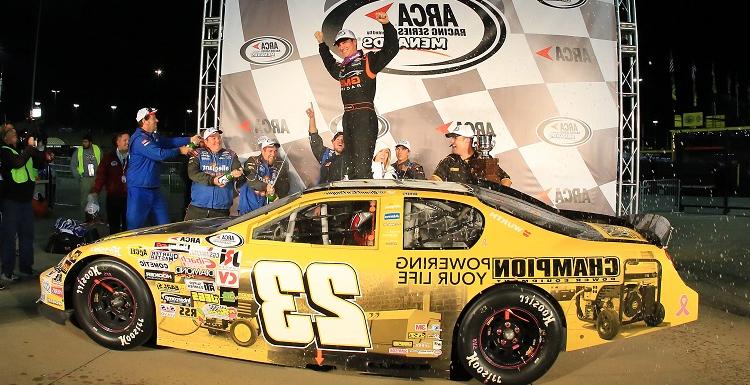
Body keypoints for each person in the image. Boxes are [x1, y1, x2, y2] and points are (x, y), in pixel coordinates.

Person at [315, 10, 399, 179]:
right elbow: (329, 63)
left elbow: (391, 49)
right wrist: (322, 44)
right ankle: (355, 204)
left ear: (354, 42)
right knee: (351, 169)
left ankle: (366, 204)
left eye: (345, 41)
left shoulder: (368, 61)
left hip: (364, 117)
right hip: (348, 117)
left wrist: (386, 25)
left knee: (362, 168)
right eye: (339, 44)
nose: (342, 46)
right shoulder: (342, 68)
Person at [126, 107, 200, 229]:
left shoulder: (152, 136)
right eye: (154, 118)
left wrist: (189, 139)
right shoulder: (139, 139)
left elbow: (168, 142)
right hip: (139, 190)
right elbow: (159, 154)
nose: (157, 120)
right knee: (134, 229)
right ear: (145, 121)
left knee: (164, 227)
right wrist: (181, 150)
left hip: (154, 189)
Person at [0, 124, 50, 284]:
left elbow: (39, 164)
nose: (14, 133)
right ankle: (6, 272)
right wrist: (29, 148)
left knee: (27, 236)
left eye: (15, 131)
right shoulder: (4, 151)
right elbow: (17, 163)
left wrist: (42, 151)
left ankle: (26, 268)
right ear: (4, 137)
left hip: (25, 202)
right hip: (11, 202)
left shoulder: (22, 150)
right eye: (10, 132)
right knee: (9, 237)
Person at [185, 128, 242, 220]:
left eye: (219, 138)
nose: (218, 140)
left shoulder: (231, 155)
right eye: (213, 138)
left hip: (221, 210)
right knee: (188, 234)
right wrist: (212, 180)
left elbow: (239, 173)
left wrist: (238, 175)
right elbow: (193, 173)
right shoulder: (197, 153)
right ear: (206, 142)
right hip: (197, 207)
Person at [431, 124, 512, 187]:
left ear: (467, 140)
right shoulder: (449, 160)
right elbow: (434, 180)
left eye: (455, 138)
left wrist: (498, 196)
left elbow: (505, 179)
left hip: (479, 206)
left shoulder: (483, 158)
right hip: (454, 207)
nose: (451, 142)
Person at [238, 136, 289, 215]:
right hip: (248, 207)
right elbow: (252, 181)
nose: (273, 154)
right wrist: (266, 188)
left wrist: (273, 191)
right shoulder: (252, 160)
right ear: (262, 151)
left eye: (275, 151)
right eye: (270, 151)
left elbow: (285, 187)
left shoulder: (280, 164)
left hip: (267, 210)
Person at [91, 131, 129, 234]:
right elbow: (101, 176)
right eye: (125, 140)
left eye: (129, 140)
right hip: (113, 197)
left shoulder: (134, 157)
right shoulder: (108, 157)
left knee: (129, 226)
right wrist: (95, 191)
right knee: (114, 226)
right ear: (118, 142)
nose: (128, 142)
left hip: (130, 197)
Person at [307, 105, 345, 183]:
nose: (340, 142)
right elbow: (314, 137)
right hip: (324, 192)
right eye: (337, 139)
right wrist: (312, 118)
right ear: (333, 142)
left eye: (343, 140)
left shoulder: (352, 157)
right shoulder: (325, 154)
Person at [70, 134, 101, 216]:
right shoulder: (78, 151)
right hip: (85, 179)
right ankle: (84, 218)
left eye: (86, 142)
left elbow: (103, 163)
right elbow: (73, 165)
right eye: (83, 142)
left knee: (95, 198)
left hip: (96, 178)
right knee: (84, 200)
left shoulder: (97, 149)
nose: (84, 143)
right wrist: (78, 177)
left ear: (90, 143)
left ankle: (95, 217)